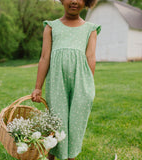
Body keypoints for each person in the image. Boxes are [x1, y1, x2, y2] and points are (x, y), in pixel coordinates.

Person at [31, 0, 101, 159]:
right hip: (57, 84)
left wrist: (88, 85)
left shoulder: (90, 29)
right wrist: (37, 87)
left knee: (76, 124)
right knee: (56, 123)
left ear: (86, 2)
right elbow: (44, 58)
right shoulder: (51, 27)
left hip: (81, 85)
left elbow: (91, 57)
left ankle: (71, 157)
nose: (74, 1)